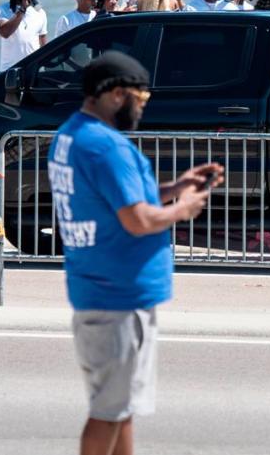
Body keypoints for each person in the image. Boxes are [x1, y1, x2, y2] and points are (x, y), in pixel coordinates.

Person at [48, 51, 221, 455]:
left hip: (102, 290)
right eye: (138, 102)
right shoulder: (106, 147)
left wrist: (173, 187)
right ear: (115, 94)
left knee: (120, 407)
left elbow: (117, 200)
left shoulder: (72, 134)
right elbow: (138, 220)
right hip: (117, 299)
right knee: (107, 412)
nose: (140, 111)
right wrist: (185, 208)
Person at [0, 0, 48, 71]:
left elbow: (43, 43)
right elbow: (4, 32)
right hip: (10, 72)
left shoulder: (40, 12)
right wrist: (22, 9)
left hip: (33, 70)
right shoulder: (3, 10)